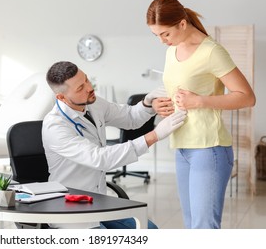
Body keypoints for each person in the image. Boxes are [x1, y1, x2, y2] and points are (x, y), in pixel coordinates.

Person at [146, 0, 256, 229]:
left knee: (204, 228)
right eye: (156, 35)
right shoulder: (171, 51)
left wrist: (200, 101)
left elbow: (247, 96)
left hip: (209, 148)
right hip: (182, 146)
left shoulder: (211, 51)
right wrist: (165, 105)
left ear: (182, 24)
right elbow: (180, 92)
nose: (162, 41)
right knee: (191, 225)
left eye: (165, 34)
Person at [42, 61, 187, 229]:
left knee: (150, 230)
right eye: (80, 88)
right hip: (71, 210)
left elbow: (129, 117)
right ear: (61, 97)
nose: (89, 88)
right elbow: (101, 159)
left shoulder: (93, 103)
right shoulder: (55, 126)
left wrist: (148, 104)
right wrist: (154, 136)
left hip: (98, 202)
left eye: (86, 80)